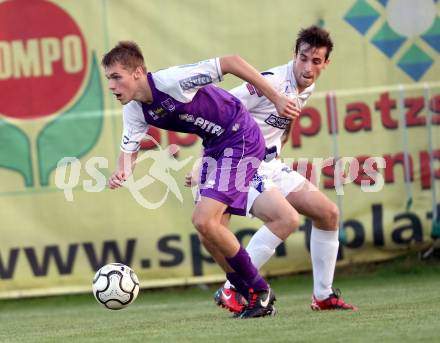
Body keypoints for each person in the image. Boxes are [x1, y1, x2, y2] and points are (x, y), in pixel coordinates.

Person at [101, 41, 300, 318]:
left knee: (203, 219)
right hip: (215, 147)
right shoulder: (134, 110)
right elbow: (128, 153)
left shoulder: (172, 81)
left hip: (240, 135)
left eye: (116, 77)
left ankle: (259, 290)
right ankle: (244, 292)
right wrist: (121, 171)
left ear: (138, 72)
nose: (111, 86)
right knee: (209, 233)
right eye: (108, 79)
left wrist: (277, 98)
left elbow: (230, 61)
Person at [186, 25, 356, 313]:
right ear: (295, 55)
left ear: (326, 63)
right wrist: (204, 160)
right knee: (286, 220)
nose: (308, 66)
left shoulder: (307, 86)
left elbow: (278, 125)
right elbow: (221, 110)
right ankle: (234, 288)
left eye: (316, 61)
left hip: (269, 164)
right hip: (242, 163)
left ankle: (323, 296)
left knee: (328, 214)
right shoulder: (271, 82)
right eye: (303, 58)